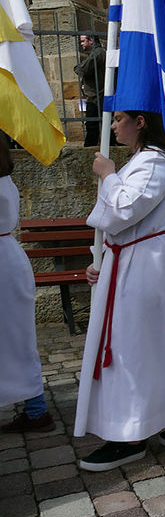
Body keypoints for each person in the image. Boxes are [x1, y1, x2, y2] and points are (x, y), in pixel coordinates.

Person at [76, 111, 165, 472]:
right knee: (160, 345)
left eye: (118, 118)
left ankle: (131, 434)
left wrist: (108, 175)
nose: (111, 125)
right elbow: (119, 223)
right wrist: (104, 262)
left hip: (152, 268)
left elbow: (123, 210)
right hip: (140, 263)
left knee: (137, 346)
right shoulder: (143, 161)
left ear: (140, 122)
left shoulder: (154, 163)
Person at [1, 137, 54, 433]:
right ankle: (35, 407)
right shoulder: (6, 179)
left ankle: (35, 409)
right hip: (10, 257)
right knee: (18, 338)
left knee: (14, 338)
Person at [74, 34, 107, 147]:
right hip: (96, 95)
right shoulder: (96, 53)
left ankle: (89, 148)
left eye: (83, 41)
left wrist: (78, 67)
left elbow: (84, 69)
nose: (81, 44)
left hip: (97, 96)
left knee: (92, 125)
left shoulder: (98, 53)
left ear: (91, 40)